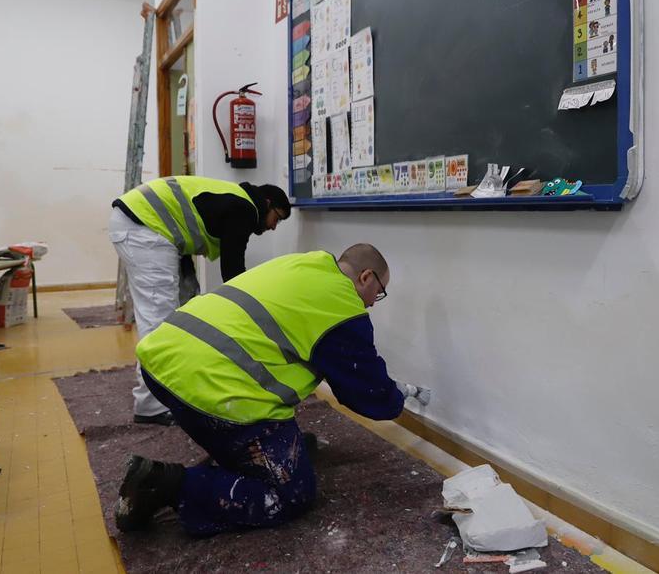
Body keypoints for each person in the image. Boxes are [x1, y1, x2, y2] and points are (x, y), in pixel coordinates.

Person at [114, 244, 424, 536]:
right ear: (365, 277)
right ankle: (164, 485)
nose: (372, 303)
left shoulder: (301, 264)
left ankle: (259, 454)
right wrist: (395, 400)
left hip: (162, 361)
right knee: (290, 495)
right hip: (208, 387)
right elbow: (367, 393)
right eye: (378, 293)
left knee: (289, 450)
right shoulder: (343, 306)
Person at [109, 176, 291, 425]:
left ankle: (174, 388)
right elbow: (233, 273)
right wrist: (253, 312)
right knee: (159, 319)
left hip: (146, 225)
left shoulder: (235, 200)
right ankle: (150, 406)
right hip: (145, 227)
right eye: (277, 218)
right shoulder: (245, 208)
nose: (274, 227)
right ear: (267, 203)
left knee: (179, 314)